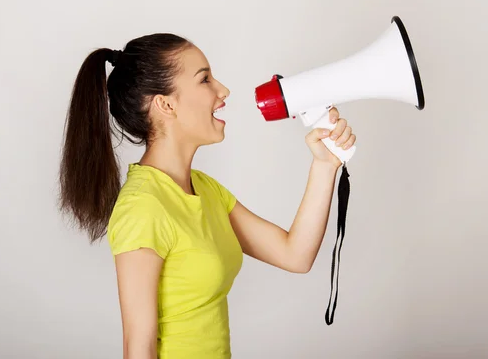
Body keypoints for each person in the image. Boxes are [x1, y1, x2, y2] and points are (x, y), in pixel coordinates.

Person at [58, 33, 356, 359]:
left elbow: (294, 255)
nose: (223, 90)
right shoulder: (142, 207)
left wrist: (325, 165)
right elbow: (138, 349)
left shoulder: (204, 189)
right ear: (165, 104)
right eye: (205, 80)